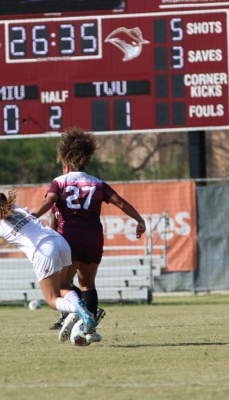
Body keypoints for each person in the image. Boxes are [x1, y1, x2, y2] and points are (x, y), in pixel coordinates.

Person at [31, 128, 146, 338]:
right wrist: (139, 220)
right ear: (87, 160)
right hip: (93, 238)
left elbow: (49, 202)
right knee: (87, 284)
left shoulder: (60, 182)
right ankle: (89, 329)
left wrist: (30, 216)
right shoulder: (98, 183)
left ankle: (80, 316)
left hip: (69, 238)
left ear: (64, 160)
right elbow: (119, 202)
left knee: (64, 285)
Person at [0, 189, 101, 343]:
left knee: (52, 299)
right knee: (64, 286)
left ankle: (81, 311)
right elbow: (14, 216)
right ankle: (81, 307)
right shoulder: (18, 209)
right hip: (59, 241)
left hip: (43, 250)